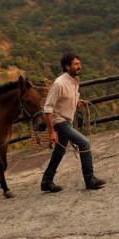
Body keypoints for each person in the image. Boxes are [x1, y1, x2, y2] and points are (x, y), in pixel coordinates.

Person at [40, 53, 106, 192]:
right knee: (84, 143)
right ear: (67, 66)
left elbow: (69, 99)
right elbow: (47, 108)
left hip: (67, 121)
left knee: (59, 152)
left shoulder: (75, 80)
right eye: (76, 64)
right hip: (60, 121)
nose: (79, 66)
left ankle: (46, 181)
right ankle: (89, 179)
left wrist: (78, 102)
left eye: (79, 63)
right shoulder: (59, 84)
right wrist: (51, 131)